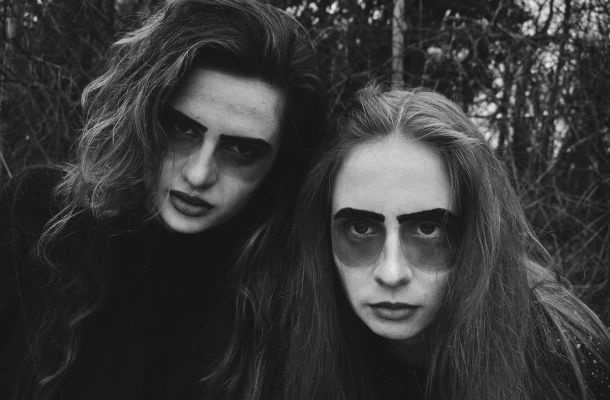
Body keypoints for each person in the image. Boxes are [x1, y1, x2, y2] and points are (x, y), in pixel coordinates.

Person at [0, 1, 325, 399]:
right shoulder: (40, 224)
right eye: (182, 129)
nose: (199, 174)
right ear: (142, 115)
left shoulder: (284, 297)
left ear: (280, 166)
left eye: (242, 150)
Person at [280, 84, 610, 400]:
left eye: (427, 229)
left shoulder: (562, 357)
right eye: (361, 228)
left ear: (476, 232)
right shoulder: (292, 342)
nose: (391, 274)